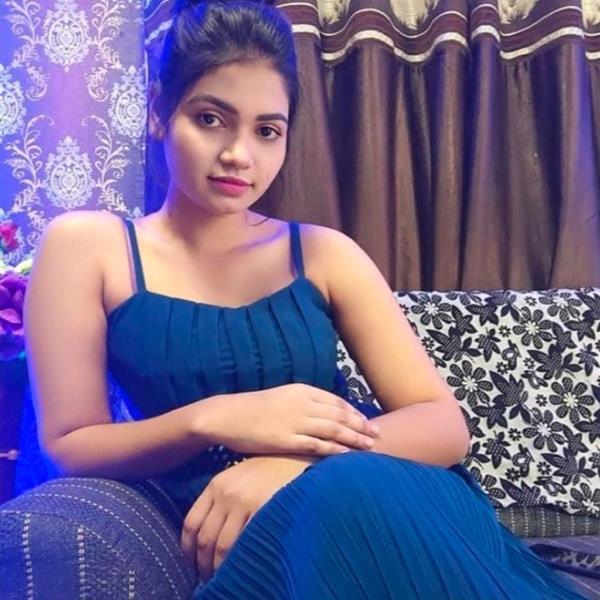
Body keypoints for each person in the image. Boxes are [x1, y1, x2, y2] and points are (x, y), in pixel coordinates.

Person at [24, 1, 586, 598]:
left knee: (344, 494)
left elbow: (442, 424)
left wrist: (297, 468)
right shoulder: (88, 247)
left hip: (373, 493)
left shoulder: (323, 253)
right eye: (211, 119)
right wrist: (211, 419)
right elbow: (71, 444)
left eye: (267, 130)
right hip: (245, 539)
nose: (239, 154)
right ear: (159, 111)